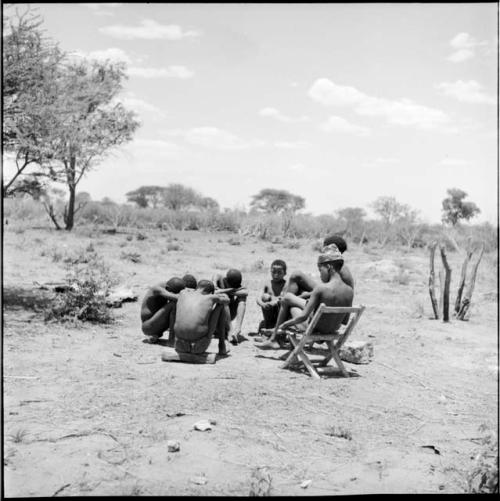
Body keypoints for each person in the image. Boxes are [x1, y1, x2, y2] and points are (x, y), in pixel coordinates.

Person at [255, 244, 353, 350]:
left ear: (329, 267)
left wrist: (284, 325)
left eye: (320, 270)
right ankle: (276, 335)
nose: (320, 275)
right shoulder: (350, 290)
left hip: (314, 331)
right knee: (289, 298)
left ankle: (275, 337)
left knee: (289, 303)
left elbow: (303, 317)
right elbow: (345, 321)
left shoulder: (321, 289)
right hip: (332, 331)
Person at [174, 279, 231, 356]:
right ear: (209, 292)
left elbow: (189, 290)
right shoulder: (210, 297)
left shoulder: (182, 293)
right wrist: (222, 295)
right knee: (220, 306)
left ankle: (171, 340)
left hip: (179, 345)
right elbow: (227, 300)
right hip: (198, 347)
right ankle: (222, 347)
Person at [140, 277, 186, 344]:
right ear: (167, 288)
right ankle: (172, 341)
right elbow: (176, 298)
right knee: (173, 304)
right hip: (148, 327)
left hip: (157, 324)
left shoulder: (169, 286)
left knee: (179, 305)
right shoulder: (157, 289)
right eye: (174, 293)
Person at [213, 269, 249, 345]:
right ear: (226, 280)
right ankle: (230, 330)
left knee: (242, 298)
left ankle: (237, 329)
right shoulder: (218, 279)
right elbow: (214, 291)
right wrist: (229, 290)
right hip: (215, 319)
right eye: (232, 286)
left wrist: (228, 290)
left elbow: (245, 293)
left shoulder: (236, 285)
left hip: (229, 314)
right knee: (224, 297)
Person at [256, 259, 287, 331]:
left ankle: (278, 325)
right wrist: (262, 304)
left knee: (280, 302)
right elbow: (258, 298)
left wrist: (273, 300)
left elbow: (283, 298)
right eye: (273, 272)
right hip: (269, 311)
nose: (276, 275)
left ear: (285, 273)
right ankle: (268, 324)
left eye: (279, 272)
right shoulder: (267, 284)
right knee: (265, 297)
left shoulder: (286, 284)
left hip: (281, 313)